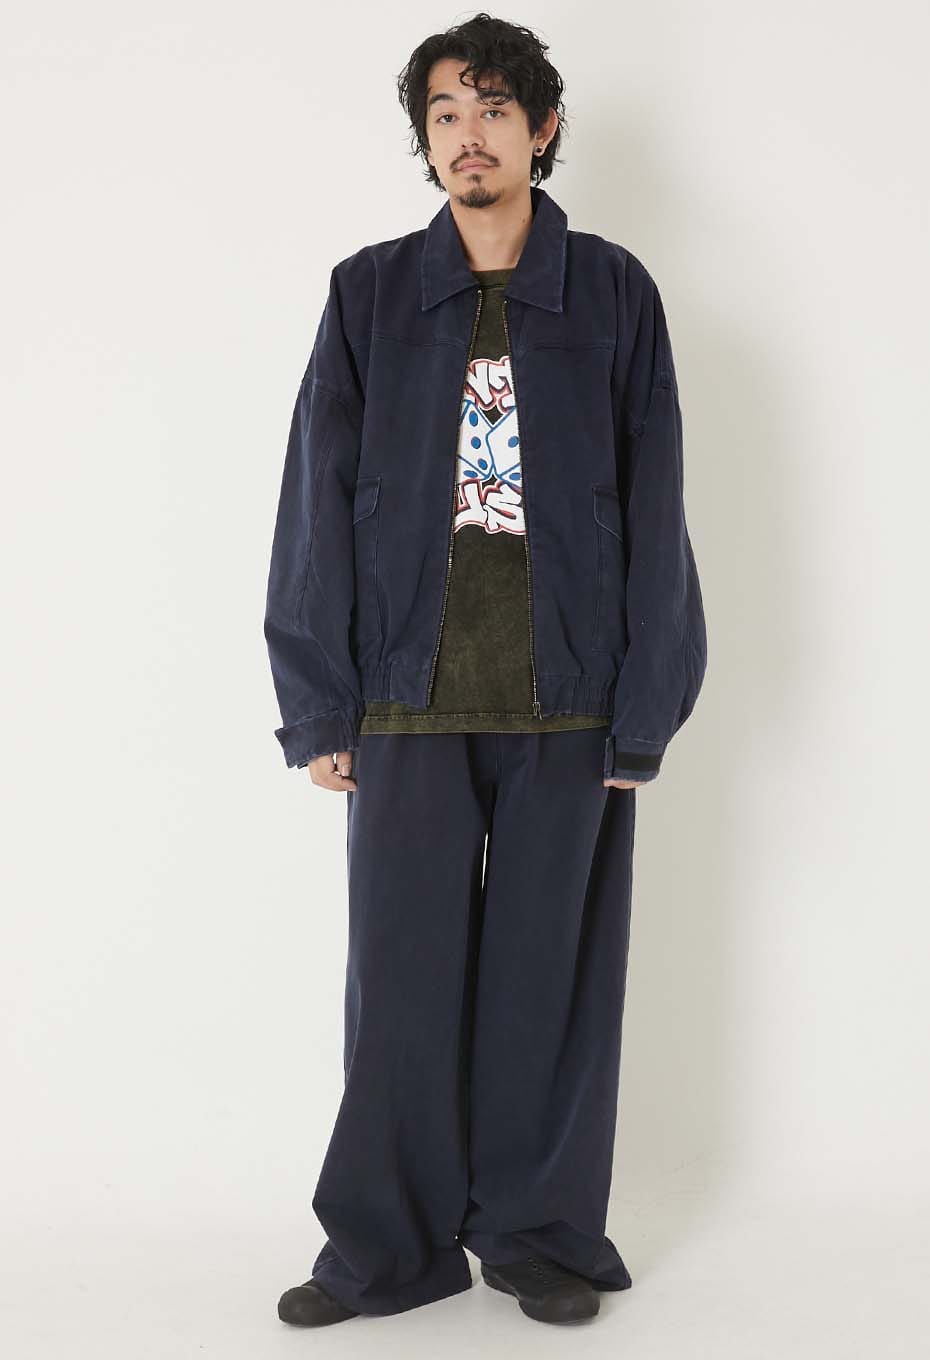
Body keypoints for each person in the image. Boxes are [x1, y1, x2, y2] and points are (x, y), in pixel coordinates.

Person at [264, 11, 707, 1329]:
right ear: (425, 137)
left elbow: (657, 497)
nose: (469, 135)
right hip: (404, 695)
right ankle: (387, 1249)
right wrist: (317, 702)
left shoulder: (613, 293)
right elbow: (315, 498)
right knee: (399, 986)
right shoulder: (368, 294)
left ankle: (538, 1235)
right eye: (446, 113)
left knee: (547, 985)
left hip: (571, 698)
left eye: (494, 110)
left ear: (542, 128)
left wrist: (645, 707)